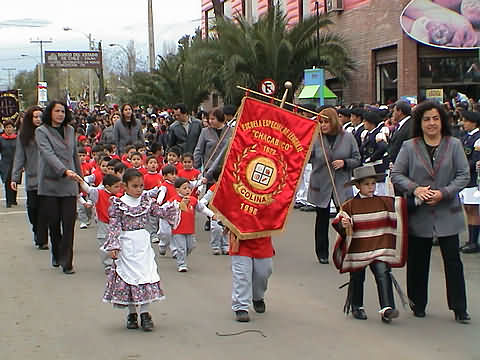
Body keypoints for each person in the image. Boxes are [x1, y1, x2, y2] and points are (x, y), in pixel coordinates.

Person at [391, 101, 471, 324]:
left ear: (442, 120)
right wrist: (415, 188)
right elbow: (397, 174)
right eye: (426, 119)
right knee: (418, 260)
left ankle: (459, 307)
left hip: (448, 211)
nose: (431, 123)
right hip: (419, 213)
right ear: (420, 122)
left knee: (453, 261)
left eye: (435, 118)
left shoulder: (453, 144)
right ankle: (418, 303)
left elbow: (464, 175)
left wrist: (444, 192)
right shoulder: (409, 146)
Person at [102, 169, 179, 331]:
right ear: (125, 186)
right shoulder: (118, 204)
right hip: (126, 245)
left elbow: (161, 212)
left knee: (145, 276)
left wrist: (178, 206)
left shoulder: (146, 201)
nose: (139, 189)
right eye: (135, 186)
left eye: (141, 186)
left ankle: (145, 313)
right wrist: (114, 245)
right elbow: (114, 226)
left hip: (142, 244)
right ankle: (132, 314)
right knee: (128, 277)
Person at [332, 165, 407, 323]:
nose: (371, 187)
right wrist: (344, 224)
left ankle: (387, 308)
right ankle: (356, 306)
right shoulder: (349, 205)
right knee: (358, 277)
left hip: (379, 246)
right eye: (367, 184)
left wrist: (419, 199)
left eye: (373, 184)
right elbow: (339, 222)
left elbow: (399, 207)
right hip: (358, 248)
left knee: (383, 272)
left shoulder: (383, 202)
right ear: (358, 186)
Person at [308, 108, 361, 264]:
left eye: (326, 122)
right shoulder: (316, 138)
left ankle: (347, 249)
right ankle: (322, 252)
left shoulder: (348, 137)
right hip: (321, 183)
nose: (323, 125)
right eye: (321, 122)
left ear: (334, 121)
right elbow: (307, 157)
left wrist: (345, 163)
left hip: (341, 184)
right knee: (321, 219)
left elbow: (357, 158)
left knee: (344, 218)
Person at [35, 100, 83, 274]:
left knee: (69, 223)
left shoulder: (70, 130)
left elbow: (74, 156)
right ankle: (56, 252)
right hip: (50, 184)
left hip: (69, 184)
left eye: (63, 111)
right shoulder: (41, 131)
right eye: (57, 111)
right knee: (54, 222)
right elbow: (47, 154)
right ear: (50, 113)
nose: (60, 114)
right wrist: (64, 171)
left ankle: (67, 262)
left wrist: (80, 180)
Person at [11, 105, 50, 248]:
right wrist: (15, 177)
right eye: (35, 117)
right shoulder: (24, 135)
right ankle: (37, 231)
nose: (38, 119)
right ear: (30, 118)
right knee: (32, 208)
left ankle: (42, 238)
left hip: (48, 177)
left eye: (40, 116)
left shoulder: (49, 132)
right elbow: (19, 157)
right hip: (32, 177)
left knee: (45, 209)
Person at [78, 174, 123, 273]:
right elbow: (88, 189)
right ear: (107, 187)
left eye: (119, 186)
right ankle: (108, 264)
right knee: (105, 243)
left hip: (117, 224)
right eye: (116, 187)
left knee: (119, 243)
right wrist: (80, 181)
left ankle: (118, 262)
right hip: (104, 223)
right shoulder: (99, 193)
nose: (119, 189)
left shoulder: (120, 196)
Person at [169, 177, 215, 272]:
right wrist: (179, 205)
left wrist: (212, 215)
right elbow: (167, 211)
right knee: (181, 247)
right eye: (184, 188)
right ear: (177, 189)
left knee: (191, 246)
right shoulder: (174, 200)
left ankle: (182, 256)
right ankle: (182, 264)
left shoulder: (193, 200)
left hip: (190, 229)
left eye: (189, 188)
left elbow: (202, 209)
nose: (187, 190)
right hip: (178, 229)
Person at [228, 232, 274, 323]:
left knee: (263, 273)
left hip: (262, 238)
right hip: (240, 240)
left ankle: (257, 297)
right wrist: (217, 217)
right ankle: (241, 307)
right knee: (242, 275)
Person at [459, 111, 480, 254]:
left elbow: (475, 160)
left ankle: (473, 242)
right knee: (467, 209)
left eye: (466, 121)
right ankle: (471, 239)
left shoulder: (477, 138)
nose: (463, 123)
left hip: (473, 179)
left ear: (474, 122)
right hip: (466, 179)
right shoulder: (467, 137)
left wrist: (462, 168)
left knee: (472, 210)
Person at [388, 100, 412, 167]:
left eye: (394, 111)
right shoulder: (400, 125)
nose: (393, 114)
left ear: (400, 112)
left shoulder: (411, 125)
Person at [0, 120, 18, 208]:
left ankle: (14, 199)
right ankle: (8, 201)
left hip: (16, 163)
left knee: (15, 181)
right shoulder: (1, 139)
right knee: (7, 182)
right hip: (5, 164)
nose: (8, 129)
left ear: (13, 128)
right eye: (6, 127)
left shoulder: (17, 138)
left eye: (10, 127)